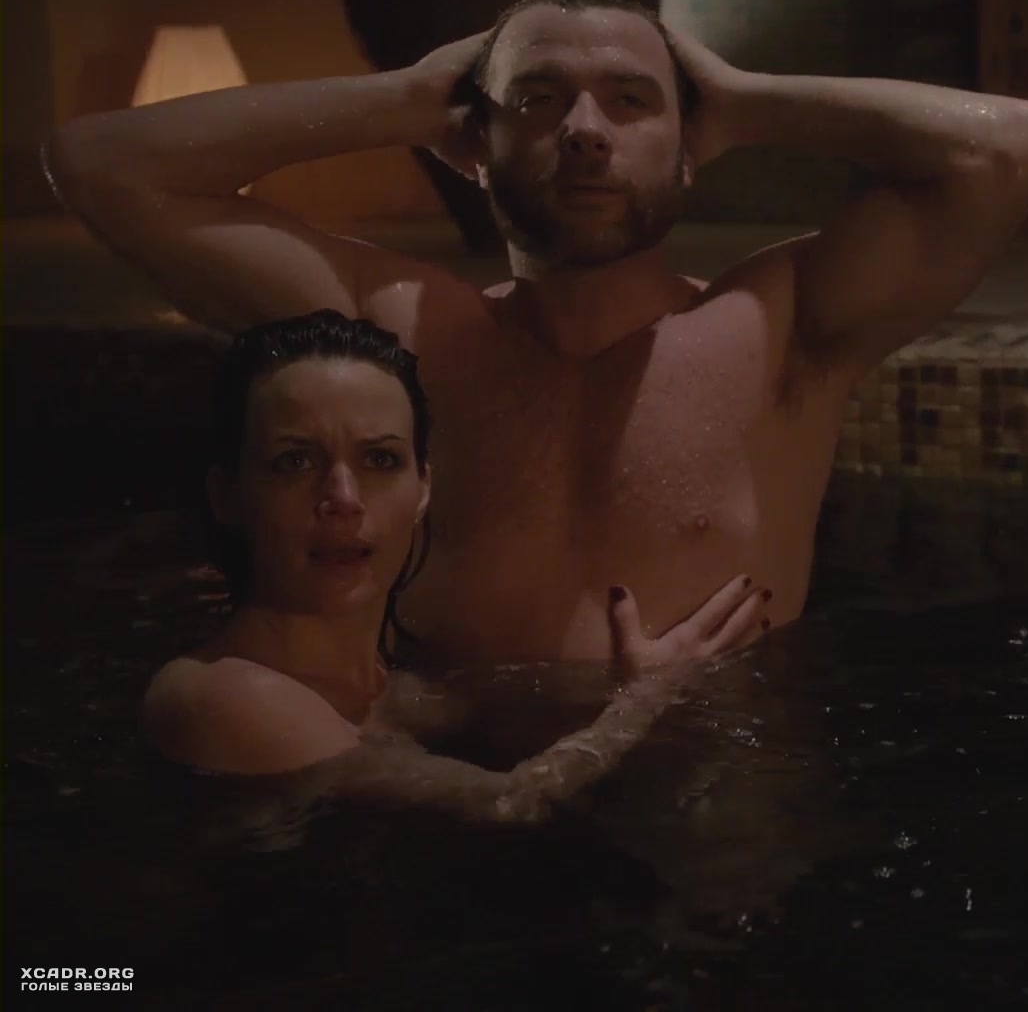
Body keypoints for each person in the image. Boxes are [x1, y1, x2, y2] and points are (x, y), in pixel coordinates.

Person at [47, 0, 1028, 667]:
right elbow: (98, 166)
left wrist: (745, 100)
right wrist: (403, 99)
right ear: (473, 145)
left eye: (630, 100)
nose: (583, 131)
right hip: (443, 815)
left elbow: (1007, 150)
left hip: (707, 825)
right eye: (537, 100)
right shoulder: (399, 337)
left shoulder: (781, 328)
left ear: (692, 146)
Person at [142, 310, 770, 823]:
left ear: (423, 488)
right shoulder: (222, 697)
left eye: (380, 460)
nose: (343, 498)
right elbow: (509, 802)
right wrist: (645, 698)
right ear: (227, 496)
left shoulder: (398, 689)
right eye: (294, 461)